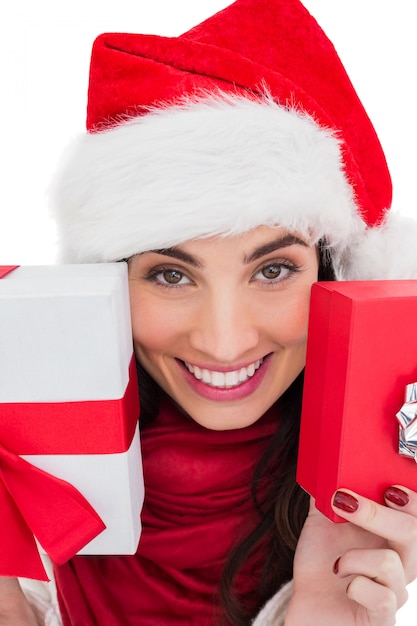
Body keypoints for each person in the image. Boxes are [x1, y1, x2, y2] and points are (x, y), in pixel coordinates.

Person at [2, 0, 417, 624]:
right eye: (171, 274)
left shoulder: (381, 501)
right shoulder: (22, 476)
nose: (224, 343)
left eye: (272, 270)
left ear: (338, 279)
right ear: (108, 286)